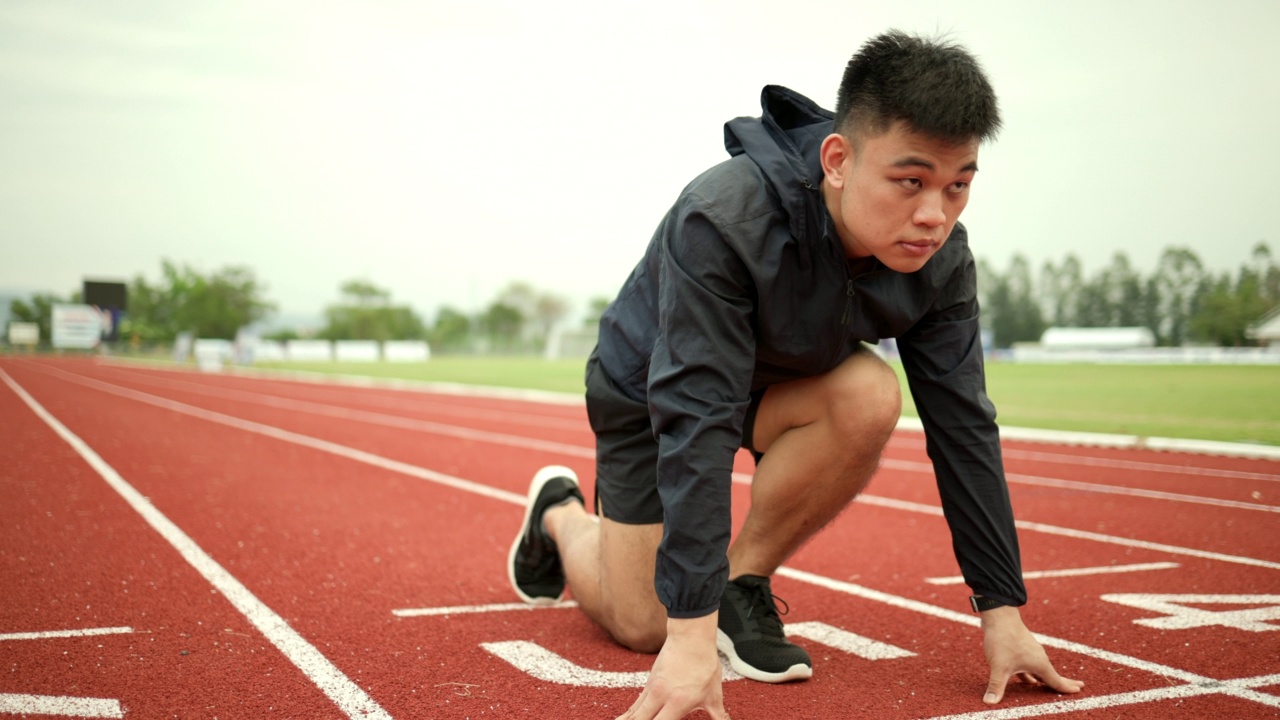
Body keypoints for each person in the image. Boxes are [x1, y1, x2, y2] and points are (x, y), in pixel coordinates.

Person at [508, 30, 1085, 720]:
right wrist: (687, 637)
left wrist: (1003, 610)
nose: (934, 215)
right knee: (644, 625)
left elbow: (963, 426)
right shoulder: (724, 220)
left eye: (957, 186)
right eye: (910, 182)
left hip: (783, 381)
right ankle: (562, 517)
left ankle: (738, 583)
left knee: (871, 395)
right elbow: (699, 417)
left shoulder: (940, 259)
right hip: (651, 389)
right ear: (838, 161)